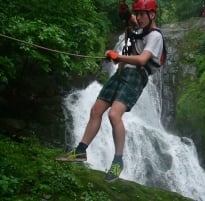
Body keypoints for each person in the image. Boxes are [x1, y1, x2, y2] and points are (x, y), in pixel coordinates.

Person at [56, 0, 164, 183]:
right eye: (137, 14)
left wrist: (117, 56)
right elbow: (130, 19)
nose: (138, 18)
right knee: (95, 110)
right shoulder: (140, 24)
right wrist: (126, 13)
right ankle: (80, 151)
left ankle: (118, 161)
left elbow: (143, 59)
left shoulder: (155, 36)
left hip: (137, 76)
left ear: (152, 15)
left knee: (114, 115)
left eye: (142, 14)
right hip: (122, 72)